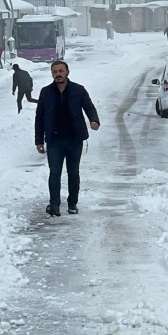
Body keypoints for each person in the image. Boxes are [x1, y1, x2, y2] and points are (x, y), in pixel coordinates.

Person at [34, 60, 100, 217]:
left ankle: (72, 203)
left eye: (60, 71)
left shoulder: (78, 90)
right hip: (54, 140)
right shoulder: (46, 92)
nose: (58, 74)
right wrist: (38, 140)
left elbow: (89, 107)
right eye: (55, 72)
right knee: (54, 172)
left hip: (74, 139)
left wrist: (94, 120)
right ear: (52, 74)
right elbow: (39, 117)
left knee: (73, 172)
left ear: (67, 72)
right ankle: (54, 204)